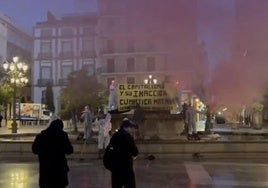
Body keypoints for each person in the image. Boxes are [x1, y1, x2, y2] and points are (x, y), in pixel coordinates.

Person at [32, 119, 74, 188]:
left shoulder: (41, 136)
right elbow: (70, 150)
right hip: (59, 172)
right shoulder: (62, 136)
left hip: (45, 171)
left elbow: (34, 150)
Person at [109, 118, 139, 188]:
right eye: (130, 127)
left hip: (116, 166)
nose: (131, 129)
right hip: (126, 166)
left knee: (116, 184)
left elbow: (110, 148)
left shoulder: (114, 136)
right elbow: (135, 151)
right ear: (127, 127)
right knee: (129, 184)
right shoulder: (128, 137)